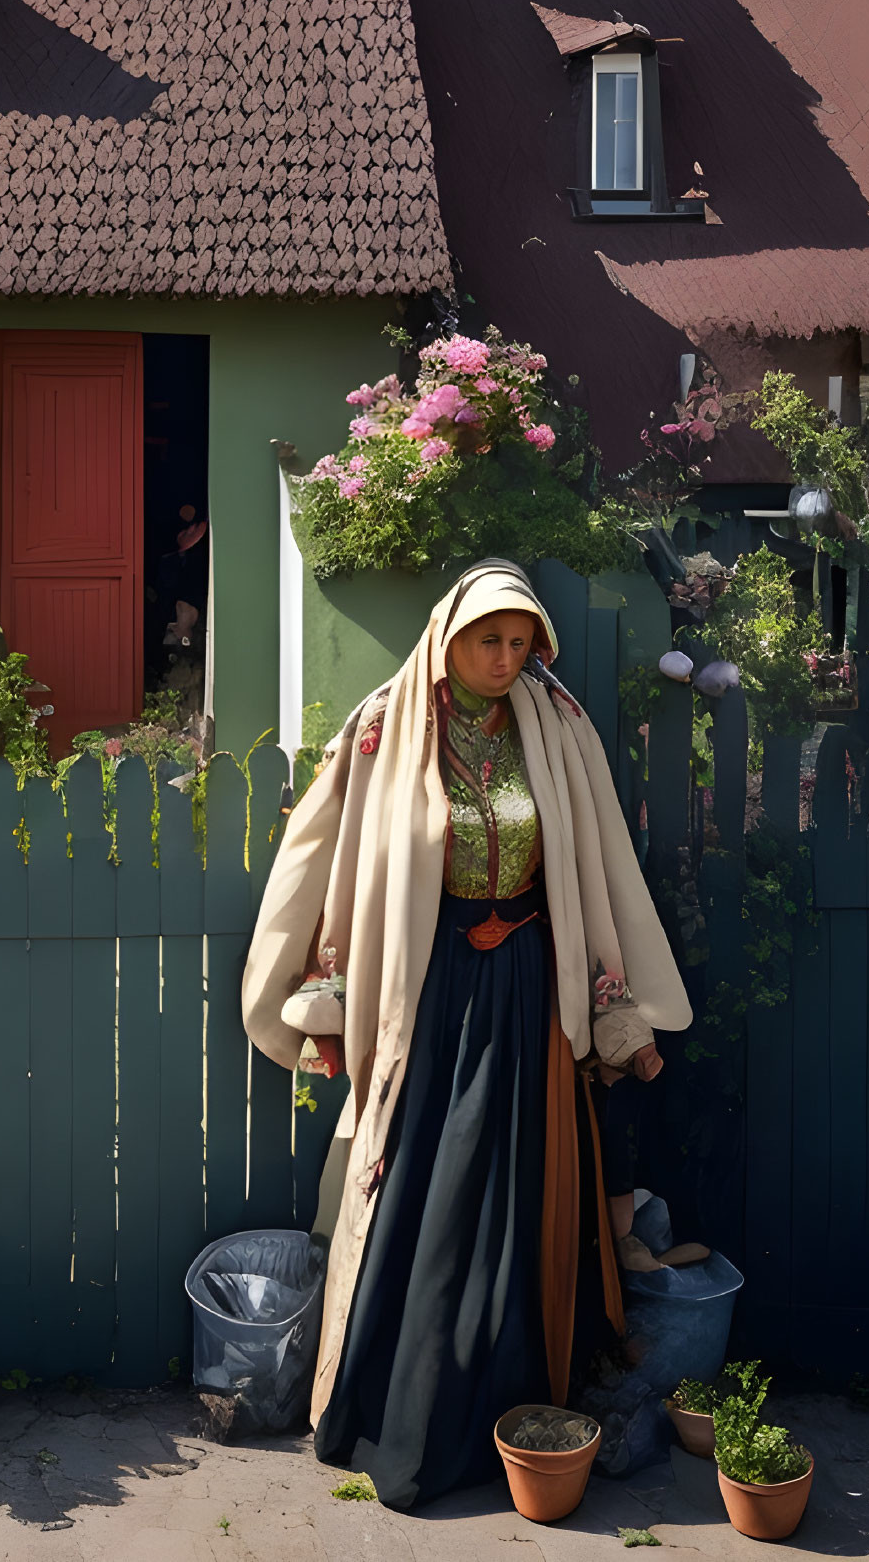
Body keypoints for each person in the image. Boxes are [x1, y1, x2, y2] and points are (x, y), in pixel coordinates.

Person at [242, 559, 691, 1508]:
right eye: (489, 640)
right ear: (449, 639)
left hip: (529, 985)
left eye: (521, 641)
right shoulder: (386, 728)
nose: (505, 657)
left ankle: (515, 1409)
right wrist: (319, 996)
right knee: (430, 1192)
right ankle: (405, 1409)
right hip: (434, 994)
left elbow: (602, 858)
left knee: (527, 1193)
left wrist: (621, 1003)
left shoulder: (556, 726)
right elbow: (330, 856)